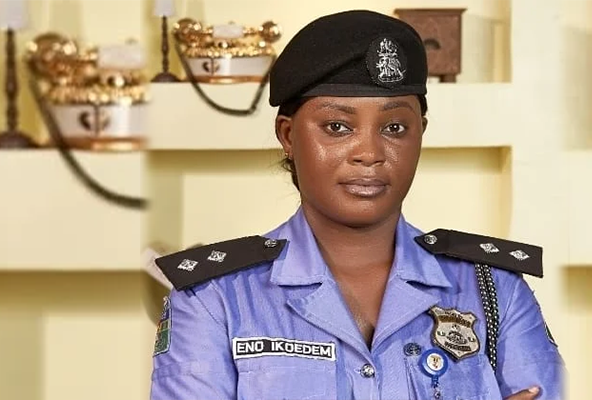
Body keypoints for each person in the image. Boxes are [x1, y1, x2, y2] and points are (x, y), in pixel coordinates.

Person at [150, 9, 565, 400]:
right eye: (337, 127)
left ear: (420, 133)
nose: (369, 153)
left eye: (395, 127)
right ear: (288, 136)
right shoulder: (212, 298)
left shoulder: (495, 289)